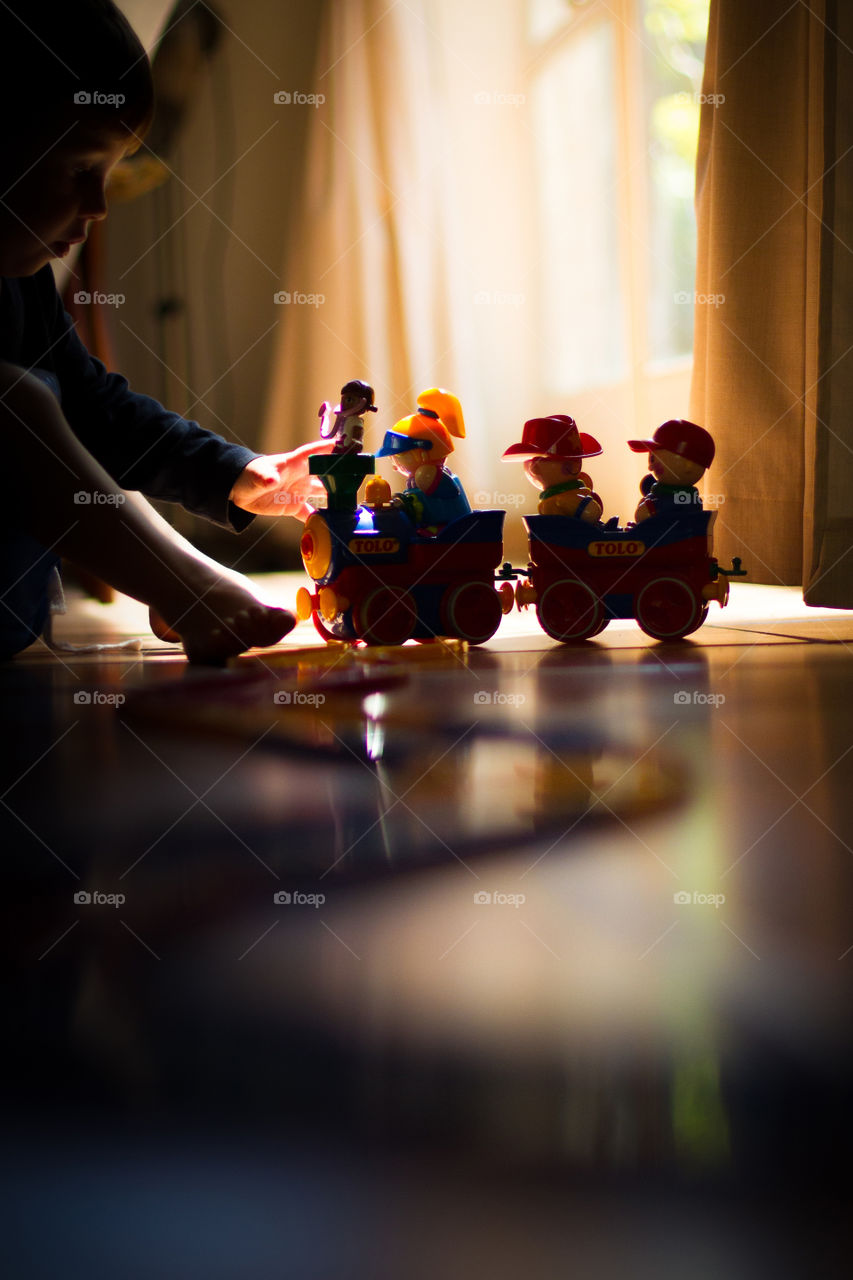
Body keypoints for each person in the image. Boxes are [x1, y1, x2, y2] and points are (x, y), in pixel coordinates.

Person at [0, 0, 332, 663]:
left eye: (108, 174)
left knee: (44, 397)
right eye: (77, 169)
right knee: (14, 402)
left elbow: (99, 411)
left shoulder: (21, 279)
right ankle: (185, 582)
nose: (98, 206)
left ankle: (171, 577)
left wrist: (236, 471)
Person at [370, 389, 471, 531]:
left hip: (445, 531)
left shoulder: (427, 476)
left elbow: (429, 506)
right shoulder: (423, 480)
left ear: (423, 454)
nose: (395, 466)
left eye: (398, 457)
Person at [502, 414, 603, 521]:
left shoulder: (567, 499)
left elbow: (592, 512)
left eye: (575, 459)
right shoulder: (552, 500)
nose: (574, 464)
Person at [627, 420, 715, 522]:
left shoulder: (687, 501)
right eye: (651, 459)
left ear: (688, 466)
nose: (650, 468)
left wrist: (651, 508)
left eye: (653, 460)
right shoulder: (659, 493)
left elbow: (665, 510)